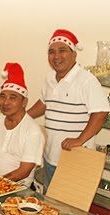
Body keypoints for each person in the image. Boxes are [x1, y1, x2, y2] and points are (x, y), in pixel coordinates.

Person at [27, 29, 110, 192]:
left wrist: (80, 139)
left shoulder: (86, 80)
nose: (56, 56)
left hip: (76, 159)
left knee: (72, 212)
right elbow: (44, 103)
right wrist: (22, 117)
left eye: (62, 50)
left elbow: (100, 113)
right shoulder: (49, 78)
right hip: (51, 157)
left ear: (74, 54)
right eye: (51, 51)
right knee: (51, 204)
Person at [0, 62, 44, 187]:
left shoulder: (32, 131)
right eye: (2, 96)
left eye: (12, 98)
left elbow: (24, 171)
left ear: (24, 102)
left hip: (17, 188)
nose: (5, 102)